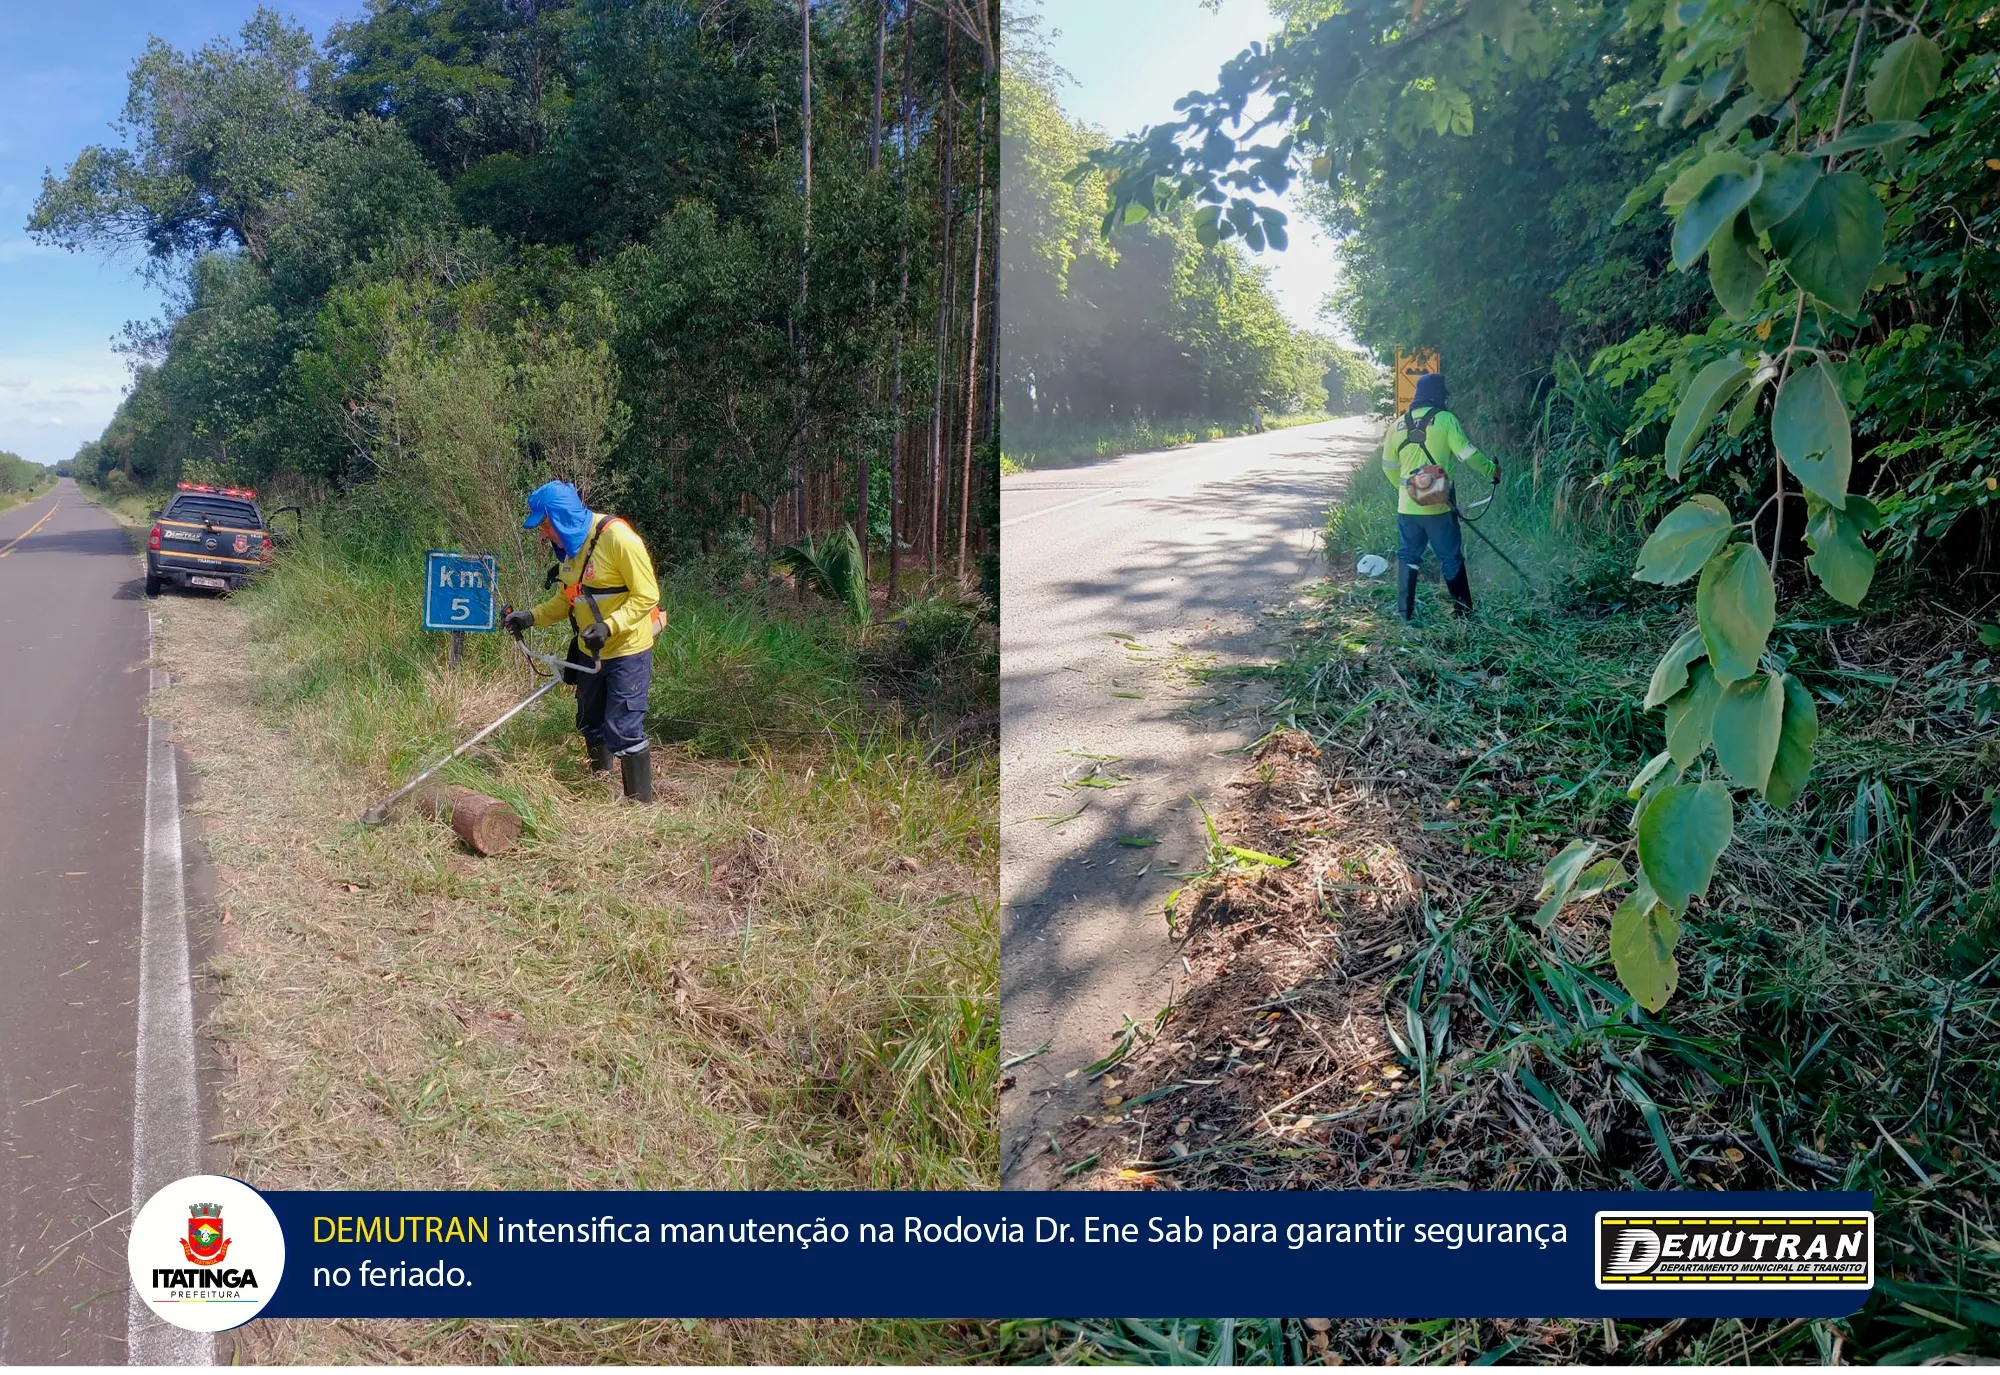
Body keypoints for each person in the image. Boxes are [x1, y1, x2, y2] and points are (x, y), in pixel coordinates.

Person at [503, 481, 663, 802]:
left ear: (561, 517)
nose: (543, 534)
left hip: (627, 649)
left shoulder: (618, 539)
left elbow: (648, 595)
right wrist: (529, 616)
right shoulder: (570, 554)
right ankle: (599, 786)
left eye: (545, 525)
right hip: (590, 651)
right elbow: (567, 602)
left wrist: (610, 626)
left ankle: (641, 810)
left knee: (623, 728)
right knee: (590, 720)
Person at [1380, 372, 1497, 621]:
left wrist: (1410, 492)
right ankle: (1464, 616)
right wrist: (1491, 469)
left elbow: (1388, 467)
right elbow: (1468, 455)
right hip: (1439, 509)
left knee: (1408, 555)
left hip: (1406, 507)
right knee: (1449, 556)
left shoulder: (1396, 425)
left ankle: (1405, 615)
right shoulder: (1445, 420)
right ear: (1439, 396)